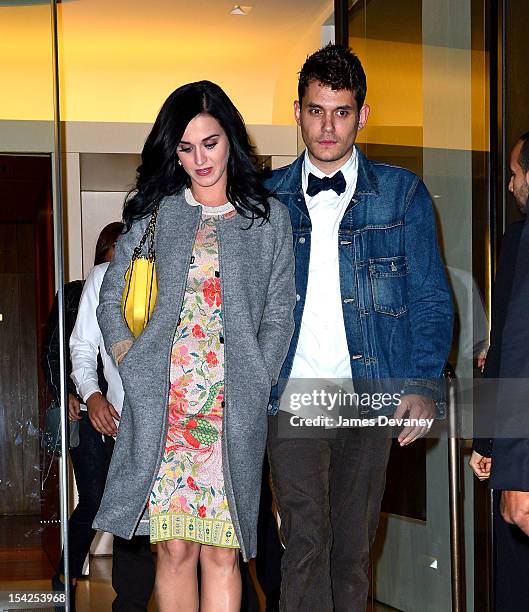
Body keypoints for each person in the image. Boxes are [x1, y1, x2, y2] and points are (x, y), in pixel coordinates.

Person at [92, 80, 296, 612]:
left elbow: (279, 312)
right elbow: (109, 300)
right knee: (175, 549)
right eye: (185, 147)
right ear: (173, 152)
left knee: (225, 554)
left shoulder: (267, 218)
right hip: (168, 408)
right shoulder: (155, 216)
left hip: (232, 409)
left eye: (210, 142)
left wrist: (258, 377)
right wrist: (128, 361)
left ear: (231, 138)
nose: (200, 158)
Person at [265, 44, 453, 612]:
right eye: (316, 110)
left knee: (352, 551)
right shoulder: (265, 200)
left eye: (341, 111)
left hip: (369, 398)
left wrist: (421, 385)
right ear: (297, 111)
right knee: (304, 542)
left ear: (362, 115)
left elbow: (430, 298)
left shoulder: (403, 195)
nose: (327, 125)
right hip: (292, 398)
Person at [69, 224, 156, 612]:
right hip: (127, 426)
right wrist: (92, 395)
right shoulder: (103, 278)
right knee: (133, 533)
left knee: (195, 541)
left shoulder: (185, 265)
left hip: (189, 421)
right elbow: (82, 344)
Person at [42, 222, 124, 611]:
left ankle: (128, 585)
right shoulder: (76, 292)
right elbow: (57, 349)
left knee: (121, 496)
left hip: (123, 409)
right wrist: (69, 394)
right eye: (115, 245)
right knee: (94, 495)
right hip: (83, 409)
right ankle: (66, 574)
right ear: (103, 249)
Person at [470, 132, 529, 611]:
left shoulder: (521, 242)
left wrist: (502, 456)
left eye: (514, 174)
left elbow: (515, 351)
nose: (511, 186)